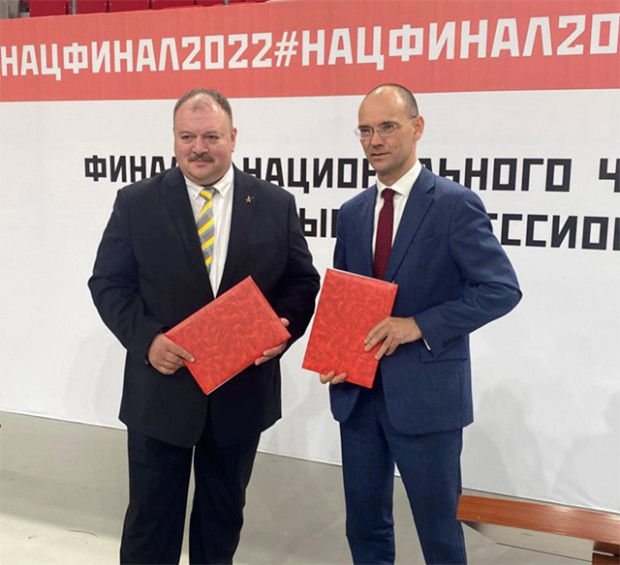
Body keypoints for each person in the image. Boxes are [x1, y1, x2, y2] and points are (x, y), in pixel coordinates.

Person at [88, 88, 320, 564]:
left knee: (221, 524)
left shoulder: (275, 203)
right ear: (174, 139)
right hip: (162, 392)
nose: (199, 148)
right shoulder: (136, 203)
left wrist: (284, 326)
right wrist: (147, 340)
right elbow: (108, 283)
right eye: (187, 137)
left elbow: (301, 281)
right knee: (150, 527)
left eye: (211, 136)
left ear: (232, 137)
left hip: (241, 394)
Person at [319, 84, 522, 564]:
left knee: (440, 535)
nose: (375, 141)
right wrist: (335, 353)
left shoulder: (453, 204)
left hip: (427, 399)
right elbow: (347, 297)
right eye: (365, 130)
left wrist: (418, 325)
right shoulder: (352, 213)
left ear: (417, 128)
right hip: (358, 396)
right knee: (365, 529)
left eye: (387, 127)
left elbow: (501, 289)